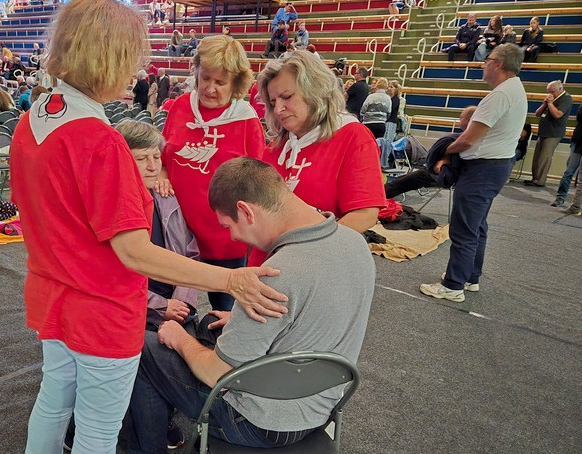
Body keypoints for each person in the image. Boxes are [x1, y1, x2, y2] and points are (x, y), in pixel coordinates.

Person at [9, 2, 287, 454]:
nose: (136, 70)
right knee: (97, 431)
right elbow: (134, 251)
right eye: (131, 58)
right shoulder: (99, 140)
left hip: (52, 292)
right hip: (102, 307)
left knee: (54, 403)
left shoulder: (33, 120)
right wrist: (230, 278)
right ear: (108, 57)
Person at [126, 157, 374, 453]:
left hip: (258, 422)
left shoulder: (275, 276)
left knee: (143, 344)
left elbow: (217, 374)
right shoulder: (354, 243)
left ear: (245, 211)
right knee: (207, 326)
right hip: (322, 407)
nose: (232, 236)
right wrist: (240, 319)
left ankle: (147, 449)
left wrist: (177, 339)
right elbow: (316, 311)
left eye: (229, 225)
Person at [160, 34, 266, 311]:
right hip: (178, 237)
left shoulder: (246, 121)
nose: (209, 88)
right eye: (205, 78)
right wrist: (161, 174)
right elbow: (162, 155)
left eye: (220, 82)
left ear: (236, 84)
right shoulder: (180, 107)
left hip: (225, 240)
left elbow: (258, 183)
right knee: (174, 315)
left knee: (226, 315)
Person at [420, 43, 527, 302]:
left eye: (487, 59)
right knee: (476, 226)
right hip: (493, 167)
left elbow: (468, 140)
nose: (483, 63)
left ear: (498, 63)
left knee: (464, 229)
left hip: (483, 169)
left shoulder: (501, 94)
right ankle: (470, 277)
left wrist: (445, 152)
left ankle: (453, 285)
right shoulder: (514, 89)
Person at [255, 51, 385, 257]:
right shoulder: (276, 147)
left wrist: (310, 253)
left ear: (314, 90)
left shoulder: (352, 136)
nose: (278, 109)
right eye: (273, 102)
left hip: (315, 265)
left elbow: (365, 213)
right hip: (268, 263)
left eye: (287, 97)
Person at [115, 120, 199, 328]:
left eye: (156, 157)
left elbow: (190, 254)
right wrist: (161, 306)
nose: (153, 167)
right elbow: (113, 276)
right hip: (133, 313)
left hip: (179, 308)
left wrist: (182, 302)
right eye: (142, 159)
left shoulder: (168, 198)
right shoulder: (112, 207)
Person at [384, 106, 477, 199]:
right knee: (402, 179)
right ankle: (381, 194)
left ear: (469, 120)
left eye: (461, 118)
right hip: (444, 169)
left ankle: (378, 196)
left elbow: (460, 158)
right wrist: (443, 160)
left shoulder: (468, 140)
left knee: (406, 180)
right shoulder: (463, 138)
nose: (459, 120)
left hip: (450, 174)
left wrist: (444, 155)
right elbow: (456, 155)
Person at [525, 80, 572, 188]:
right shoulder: (551, 98)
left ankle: (540, 181)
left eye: (553, 91)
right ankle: (534, 178)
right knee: (537, 157)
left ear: (560, 89)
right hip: (543, 132)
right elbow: (537, 114)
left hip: (553, 133)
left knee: (545, 158)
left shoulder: (566, 98)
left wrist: (550, 104)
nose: (550, 94)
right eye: (549, 92)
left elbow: (558, 114)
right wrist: (544, 104)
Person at [551, 103, 582, 207]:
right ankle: (561, 196)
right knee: (569, 171)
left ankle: (576, 205)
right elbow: (579, 116)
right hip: (578, 141)